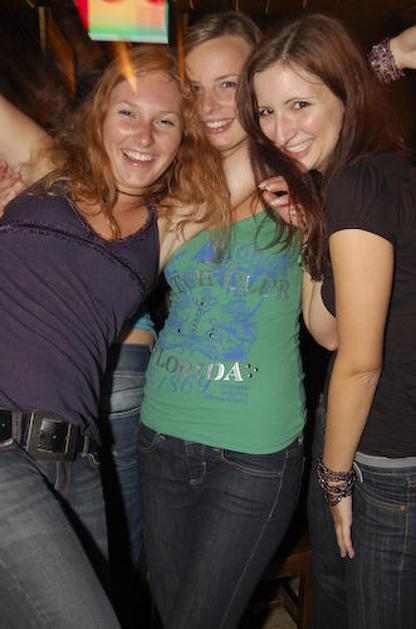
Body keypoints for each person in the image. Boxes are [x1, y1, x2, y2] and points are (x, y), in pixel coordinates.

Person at [0, 44, 228, 628]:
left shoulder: (169, 224)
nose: (144, 136)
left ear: (185, 139)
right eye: (127, 112)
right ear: (98, 114)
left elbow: (283, 139)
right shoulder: (45, 168)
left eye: (166, 121)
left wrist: (386, 57)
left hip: (77, 464)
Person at [136, 12, 322, 629]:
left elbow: (327, 330)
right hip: (160, 434)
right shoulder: (166, 178)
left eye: (229, 84)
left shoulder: (306, 181)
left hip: (254, 451)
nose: (211, 105)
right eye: (194, 88)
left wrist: (317, 244)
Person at [238, 12, 416, 629]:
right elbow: (328, 329)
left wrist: (336, 479)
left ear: (345, 94)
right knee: (337, 604)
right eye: (266, 111)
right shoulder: (349, 180)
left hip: (385, 453)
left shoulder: (361, 182)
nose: (280, 130)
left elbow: (360, 363)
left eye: (300, 105)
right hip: (357, 436)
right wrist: (307, 229)